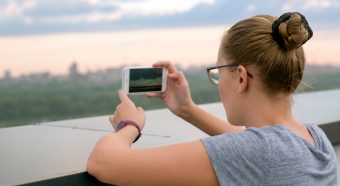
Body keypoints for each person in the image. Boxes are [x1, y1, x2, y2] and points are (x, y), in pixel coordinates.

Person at [86, 12, 338, 185]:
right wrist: (187, 109)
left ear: (241, 77)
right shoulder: (315, 139)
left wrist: (128, 126)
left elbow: (104, 162)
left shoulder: (261, 153)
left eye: (218, 72)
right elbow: (252, 144)